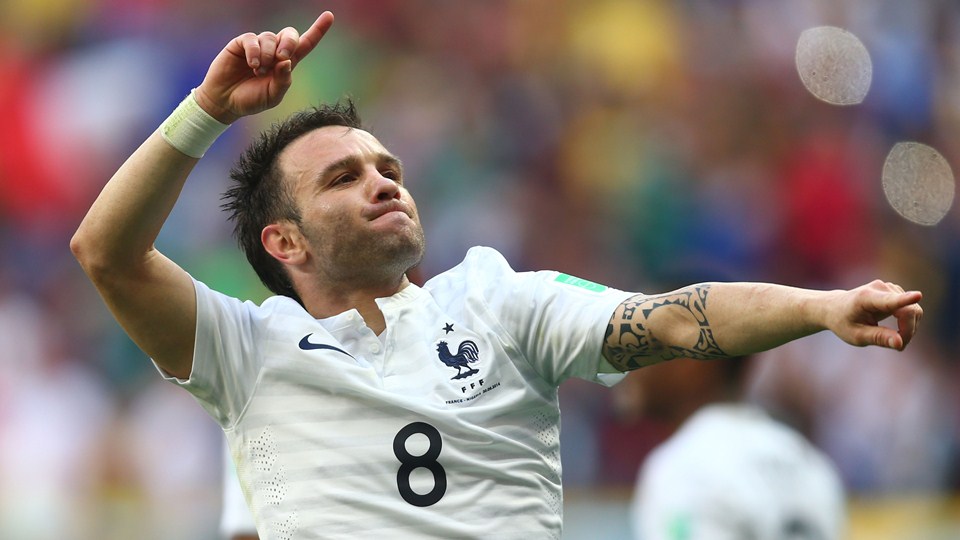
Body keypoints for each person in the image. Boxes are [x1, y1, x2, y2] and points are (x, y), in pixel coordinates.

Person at [69, 10, 923, 539]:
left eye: (387, 166)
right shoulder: (246, 352)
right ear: (284, 244)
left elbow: (670, 319)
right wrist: (207, 111)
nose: (383, 181)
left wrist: (823, 306)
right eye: (344, 177)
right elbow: (105, 252)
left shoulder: (496, 299)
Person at [624, 355, 846, 540]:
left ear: (694, 360)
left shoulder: (682, 468)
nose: (626, 361)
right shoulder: (809, 462)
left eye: (645, 342)